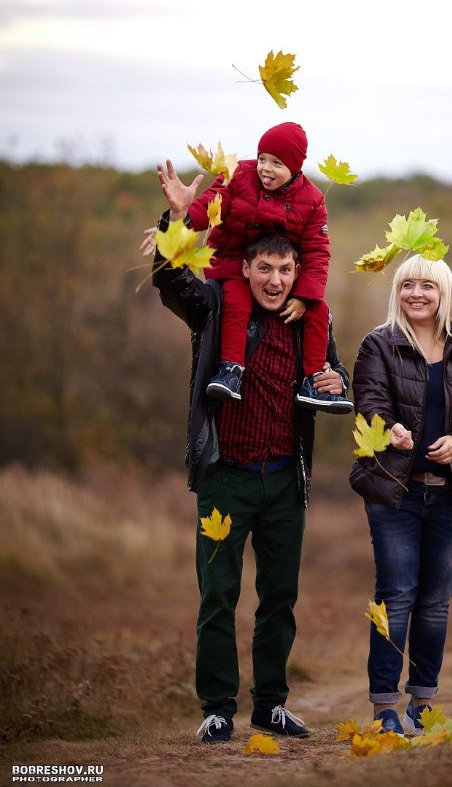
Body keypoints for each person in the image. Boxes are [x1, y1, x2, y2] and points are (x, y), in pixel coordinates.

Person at [151, 212, 351, 744]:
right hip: (226, 480)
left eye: (286, 269)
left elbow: (332, 376)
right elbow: (171, 282)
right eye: (265, 268)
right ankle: (217, 708)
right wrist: (174, 221)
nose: (276, 280)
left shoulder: (313, 320)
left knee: (279, 599)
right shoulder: (218, 309)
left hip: (286, 483)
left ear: (297, 272)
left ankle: (270, 706)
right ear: (246, 268)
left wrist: (338, 379)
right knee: (217, 596)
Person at [350, 254, 452, 736]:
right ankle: (384, 708)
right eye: (406, 286)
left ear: (445, 293)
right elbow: (369, 401)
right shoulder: (379, 344)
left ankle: (423, 701)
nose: (415, 294)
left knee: (436, 602)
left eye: (427, 286)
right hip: (394, 492)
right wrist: (392, 428)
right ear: (396, 292)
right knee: (395, 596)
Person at [154, 120, 352, 415]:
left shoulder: (311, 200)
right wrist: (178, 220)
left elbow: (317, 252)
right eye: (262, 159)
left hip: (284, 459)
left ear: (295, 168)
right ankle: (231, 368)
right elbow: (209, 207)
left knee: (318, 308)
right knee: (236, 299)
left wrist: (305, 297)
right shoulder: (238, 176)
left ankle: (312, 383)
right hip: (231, 262)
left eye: (276, 163)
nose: (265, 169)